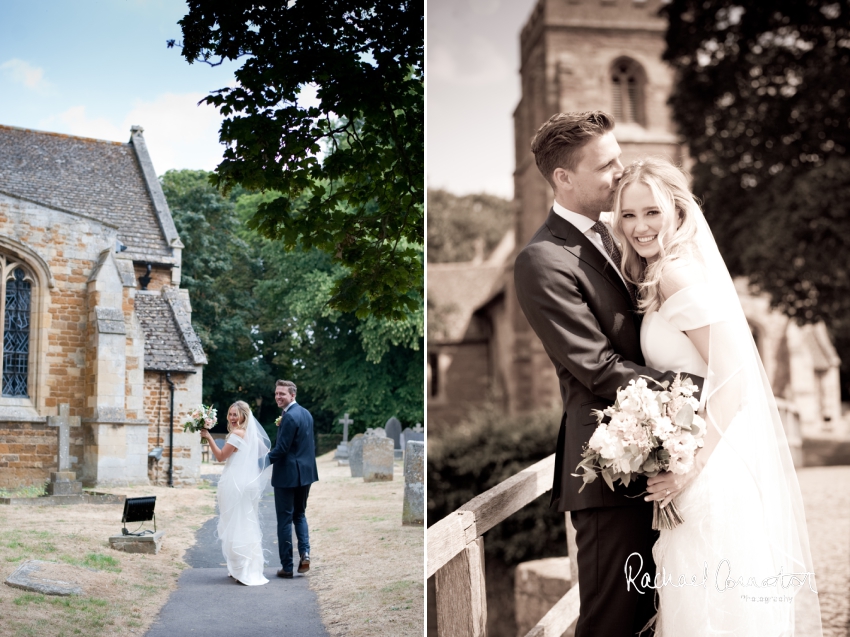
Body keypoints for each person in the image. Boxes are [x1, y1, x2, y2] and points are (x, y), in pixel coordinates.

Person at [610, 156, 822, 636]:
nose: (640, 227)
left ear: (679, 213)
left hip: (706, 469)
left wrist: (690, 464)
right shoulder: (660, 272)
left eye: (652, 212)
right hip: (698, 457)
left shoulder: (674, 276)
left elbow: (737, 376)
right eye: (628, 214)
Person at [514, 111, 703, 636]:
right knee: (613, 624)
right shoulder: (543, 260)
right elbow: (597, 368)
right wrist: (702, 392)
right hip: (609, 475)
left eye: (619, 157)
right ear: (563, 178)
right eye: (606, 165)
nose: (620, 171)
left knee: (663, 615)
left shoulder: (623, 233)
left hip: (665, 460)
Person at [201, 401, 272, 586]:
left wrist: (208, 437)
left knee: (235, 522)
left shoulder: (237, 434)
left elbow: (220, 457)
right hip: (247, 484)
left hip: (235, 483)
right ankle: (246, 566)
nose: (232, 418)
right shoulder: (250, 435)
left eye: (236, 415)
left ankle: (241, 568)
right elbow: (265, 452)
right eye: (230, 414)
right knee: (245, 521)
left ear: (243, 416)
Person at [268, 380, 319, 578]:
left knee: (284, 520)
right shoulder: (306, 413)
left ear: (292, 395)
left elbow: (282, 449)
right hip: (305, 474)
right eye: (276, 393)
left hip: (287, 476)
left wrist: (259, 463)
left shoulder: (289, 416)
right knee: (300, 514)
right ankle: (305, 553)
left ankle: (287, 567)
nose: (278, 397)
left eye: (282, 394)